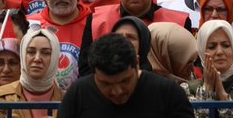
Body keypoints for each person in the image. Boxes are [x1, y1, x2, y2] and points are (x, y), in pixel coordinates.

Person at [59, 33, 194, 118]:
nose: (117, 91)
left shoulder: (168, 93)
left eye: (125, 81)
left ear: (136, 63)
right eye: (106, 84)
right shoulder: (78, 94)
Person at [0, 28, 62, 118]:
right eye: (31, 52)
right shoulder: (4, 97)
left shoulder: (68, 99)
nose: (37, 58)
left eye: (45, 53)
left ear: (55, 58)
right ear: (23, 55)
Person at [188, 20, 233, 109]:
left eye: (226, 45)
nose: (219, 52)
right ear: (202, 51)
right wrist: (207, 89)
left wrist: (223, 96)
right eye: (212, 47)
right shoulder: (189, 89)